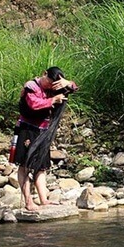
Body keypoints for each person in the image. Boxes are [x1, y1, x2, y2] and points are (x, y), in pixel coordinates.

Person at [10, 66, 77, 210]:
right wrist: (53, 100)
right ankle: (28, 201)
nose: (50, 85)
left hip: (43, 130)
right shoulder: (31, 86)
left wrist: (67, 83)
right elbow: (33, 104)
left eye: (53, 83)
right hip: (27, 129)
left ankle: (43, 199)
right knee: (24, 165)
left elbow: (73, 88)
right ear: (44, 74)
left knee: (41, 166)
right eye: (49, 81)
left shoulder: (54, 87)